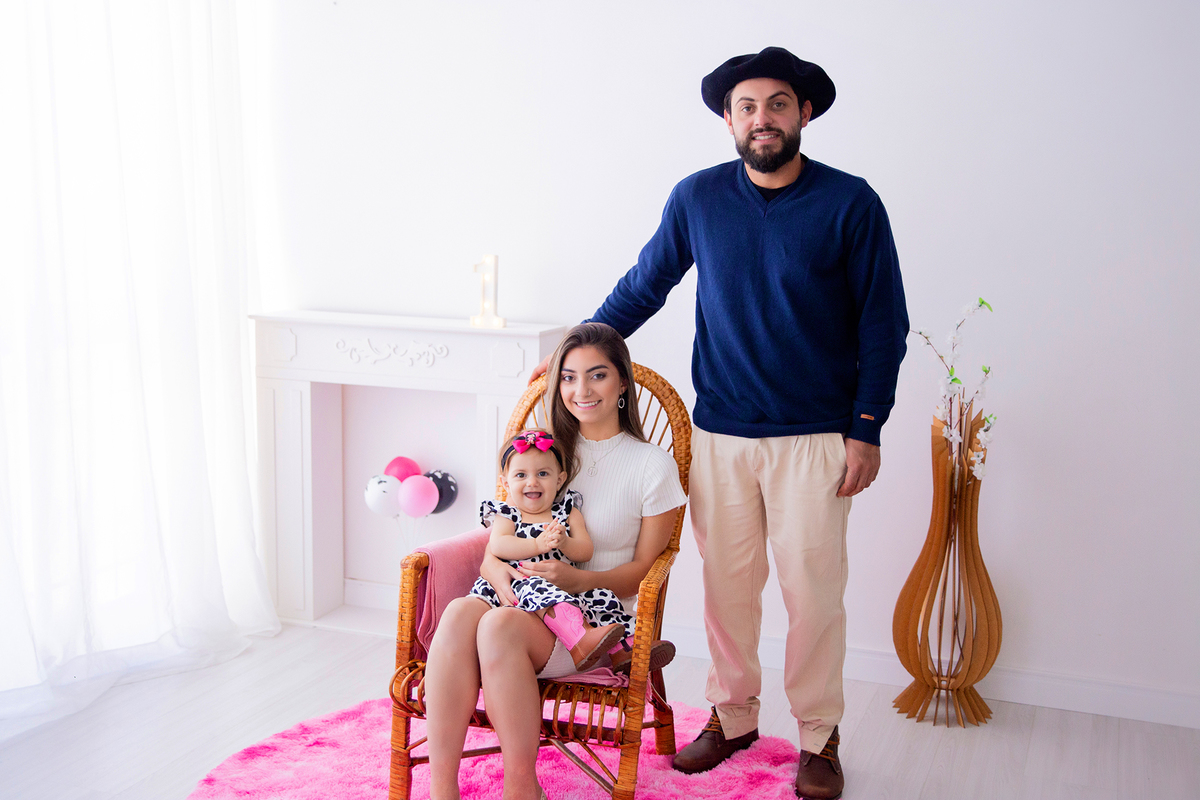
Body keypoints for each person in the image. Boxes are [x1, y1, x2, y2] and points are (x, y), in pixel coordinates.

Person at [529, 46, 908, 799]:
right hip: (724, 437)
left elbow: (883, 324)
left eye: (775, 104)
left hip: (817, 439)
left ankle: (818, 736)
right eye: (745, 107)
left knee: (813, 594)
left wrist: (867, 427)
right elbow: (645, 285)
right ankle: (732, 719)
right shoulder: (698, 198)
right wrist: (573, 354)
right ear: (728, 120)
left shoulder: (851, 203)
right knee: (728, 593)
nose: (760, 118)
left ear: (804, 113)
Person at [422, 322, 687, 800]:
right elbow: (506, 531)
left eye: (597, 375)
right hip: (520, 597)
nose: (581, 390)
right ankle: (442, 790)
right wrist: (491, 567)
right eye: (567, 376)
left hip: (589, 619)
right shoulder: (546, 451)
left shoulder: (652, 466)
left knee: (497, 626)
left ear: (622, 382)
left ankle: (522, 788)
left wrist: (577, 577)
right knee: (463, 611)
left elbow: (648, 567)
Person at [466, 428, 632, 671]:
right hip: (520, 582)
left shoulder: (567, 511)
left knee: (601, 596)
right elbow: (499, 544)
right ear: (505, 483)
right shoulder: (509, 513)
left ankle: (625, 648)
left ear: (559, 479)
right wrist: (536, 544)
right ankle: (579, 640)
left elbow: (585, 550)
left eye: (542, 473)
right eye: (521, 475)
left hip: (565, 588)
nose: (532, 481)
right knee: (536, 585)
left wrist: (565, 542)